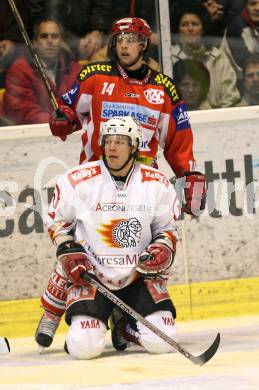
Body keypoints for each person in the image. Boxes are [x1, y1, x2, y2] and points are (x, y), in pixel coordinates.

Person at [35, 17, 206, 349]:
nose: (124, 45)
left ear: (143, 44)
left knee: (144, 251)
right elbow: (65, 116)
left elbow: (178, 140)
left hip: (140, 183)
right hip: (96, 179)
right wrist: (61, 119)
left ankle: (129, 322)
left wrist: (189, 177)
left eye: (131, 39)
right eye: (119, 39)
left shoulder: (163, 89)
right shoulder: (94, 76)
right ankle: (52, 310)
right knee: (84, 248)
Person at [46, 116, 179, 359]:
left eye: (120, 141)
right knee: (84, 350)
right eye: (108, 140)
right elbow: (57, 219)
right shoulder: (79, 180)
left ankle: (127, 328)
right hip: (92, 277)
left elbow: (167, 228)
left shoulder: (156, 182)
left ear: (134, 146)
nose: (112, 147)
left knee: (162, 342)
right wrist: (66, 246)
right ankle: (85, 324)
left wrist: (162, 246)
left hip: (138, 277)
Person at [3, 17, 81, 125]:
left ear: (62, 41)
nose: (50, 41)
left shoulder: (75, 70)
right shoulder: (19, 70)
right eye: (44, 36)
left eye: (55, 36)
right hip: (30, 134)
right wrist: (60, 122)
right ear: (34, 42)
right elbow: (25, 113)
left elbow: (82, 106)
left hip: (67, 129)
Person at [171, 1, 240, 108]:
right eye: (184, 25)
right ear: (178, 30)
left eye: (195, 24)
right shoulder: (170, 58)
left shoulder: (218, 58)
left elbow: (231, 99)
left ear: (203, 28)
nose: (190, 29)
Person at [44, 1, 112, 62]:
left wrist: (96, 31)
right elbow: (52, 19)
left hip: (94, 31)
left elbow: (101, 7)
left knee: (114, 43)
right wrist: (77, 42)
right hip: (62, 35)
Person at [225, 0, 259, 70]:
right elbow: (243, 62)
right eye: (252, 4)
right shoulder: (235, 27)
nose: (257, 8)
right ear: (246, 5)